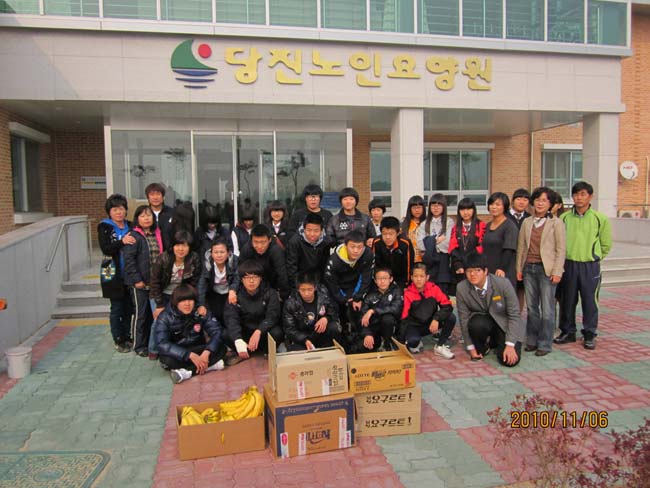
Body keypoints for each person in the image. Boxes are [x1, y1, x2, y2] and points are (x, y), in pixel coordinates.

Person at [554, 181, 612, 350]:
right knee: (567, 300)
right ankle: (568, 332)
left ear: (590, 196)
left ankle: (589, 333)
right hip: (568, 265)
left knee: (590, 301)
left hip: (590, 266)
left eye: (583, 194)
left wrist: (594, 256)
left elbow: (606, 244)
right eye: (576, 194)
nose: (579, 198)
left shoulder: (600, 218)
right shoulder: (564, 218)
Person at [516, 187, 566, 356]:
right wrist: (519, 269)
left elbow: (561, 249)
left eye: (544, 200)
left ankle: (544, 343)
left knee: (547, 309)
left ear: (550, 204)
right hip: (529, 268)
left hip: (547, 270)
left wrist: (557, 271)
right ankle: (531, 340)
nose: (540, 203)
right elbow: (521, 247)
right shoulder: (527, 222)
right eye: (537, 200)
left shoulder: (556, 223)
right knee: (531, 308)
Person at [456, 252, 524, 367]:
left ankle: (497, 342)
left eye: (477, 270)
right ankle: (485, 346)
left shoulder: (503, 284)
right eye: (469, 271)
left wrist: (510, 344)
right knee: (475, 324)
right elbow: (463, 319)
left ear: (486, 271)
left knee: (509, 361)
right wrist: (470, 348)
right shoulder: (462, 288)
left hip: (504, 323)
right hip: (483, 322)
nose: (473, 274)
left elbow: (514, 314)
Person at [155, 284, 226, 384]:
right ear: (176, 302)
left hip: (198, 348)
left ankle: (187, 373)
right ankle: (211, 366)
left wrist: (207, 352)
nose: (187, 304)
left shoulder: (200, 311)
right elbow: (162, 343)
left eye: (190, 300)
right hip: (180, 352)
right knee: (167, 361)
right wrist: (189, 355)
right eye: (183, 301)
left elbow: (216, 331)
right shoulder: (164, 317)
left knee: (222, 348)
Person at [149, 230, 201, 359]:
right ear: (172, 246)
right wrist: (159, 305)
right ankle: (153, 350)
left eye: (185, 245)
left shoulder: (194, 258)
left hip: (180, 295)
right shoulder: (163, 258)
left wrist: (187, 297)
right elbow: (154, 282)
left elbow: (195, 281)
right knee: (159, 320)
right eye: (178, 245)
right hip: (161, 294)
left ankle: (178, 347)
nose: (181, 249)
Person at [222, 260, 283, 365]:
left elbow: (272, 316)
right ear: (241, 280)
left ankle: (268, 352)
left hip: (262, 333)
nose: (251, 281)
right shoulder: (235, 296)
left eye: (255, 277)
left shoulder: (270, 293)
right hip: (245, 333)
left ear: (260, 278)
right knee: (226, 334)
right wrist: (237, 339)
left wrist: (259, 331)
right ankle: (243, 351)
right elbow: (231, 318)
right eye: (247, 277)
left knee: (277, 332)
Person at [323, 230, 375, 350]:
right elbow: (332, 284)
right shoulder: (334, 260)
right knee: (337, 311)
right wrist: (345, 299)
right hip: (339, 289)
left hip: (356, 287)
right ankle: (339, 342)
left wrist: (357, 297)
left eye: (359, 247)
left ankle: (363, 340)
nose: (356, 251)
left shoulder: (368, 254)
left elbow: (365, 278)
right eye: (352, 247)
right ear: (346, 245)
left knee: (359, 309)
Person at [123, 205, 163, 356]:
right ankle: (138, 346)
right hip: (139, 283)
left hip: (155, 283)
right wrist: (136, 279)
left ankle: (151, 344)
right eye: (142, 216)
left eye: (149, 215)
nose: (146, 218)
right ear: (137, 219)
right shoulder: (134, 236)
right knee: (141, 314)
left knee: (154, 315)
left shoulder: (157, 234)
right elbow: (129, 260)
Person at [98, 194, 135, 353]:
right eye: (115, 209)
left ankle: (127, 336)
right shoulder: (104, 227)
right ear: (109, 212)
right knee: (117, 308)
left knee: (129, 308)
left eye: (121, 209)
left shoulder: (131, 225)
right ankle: (118, 339)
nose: (119, 212)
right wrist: (122, 242)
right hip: (112, 273)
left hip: (130, 273)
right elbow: (106, 248)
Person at [398, 263, 456, 358]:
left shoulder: (434, 289)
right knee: (413, 342)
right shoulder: (408, 293)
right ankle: (416, 340)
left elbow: (448, 306)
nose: (419, 279)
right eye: (416, 276)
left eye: (422, 276)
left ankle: (440, 346)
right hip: (415, 325)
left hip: (431, 323)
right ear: (411, 277)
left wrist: (436, 318)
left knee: (451, 317)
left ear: (427, 277)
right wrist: (401, 340)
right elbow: (404, 318)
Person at [283, 272, 342, 351]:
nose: (306, 293)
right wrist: (305, 340)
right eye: (303, 290)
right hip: (302, 338)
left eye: (310, 289)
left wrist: (326, 318)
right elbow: (289, 330)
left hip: (319, 334)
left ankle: (328, 351)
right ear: (298, 289)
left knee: (334, 327)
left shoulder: (323, 295)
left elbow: (333, 313)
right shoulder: (290, 303)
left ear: (315, 288)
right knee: (296, 352)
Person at [238, 224, 290, 300]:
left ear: (269, 240)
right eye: (256, 242)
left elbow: (282, 274)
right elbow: (240, 271)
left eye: (263, 242)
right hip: (254, 284)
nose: (259, 246)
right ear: (251, 240)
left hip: (273, 283)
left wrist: (283, 295)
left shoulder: (276, 250)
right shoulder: (246, 249)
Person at [417, 193, 455, 294]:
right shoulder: (424, 223)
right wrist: (437, 240)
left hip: (443, 260)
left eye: (439, 205)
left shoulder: (449, 222)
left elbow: (448, 242)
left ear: (444, 207)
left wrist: (429, 241)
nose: (436, 208)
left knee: (442, 291)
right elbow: (420, 243)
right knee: (429, 291)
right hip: (429, 260)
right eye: (433, 205)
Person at [197, 237, 239, 325]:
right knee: (215, 314)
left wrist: (233, 289)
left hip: (230, 291)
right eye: (216, 252)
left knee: (231, 314)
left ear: (228, 253)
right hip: (214, 292)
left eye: (222, 252)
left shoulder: (234, 261)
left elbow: (237, 277)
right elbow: (202, 284)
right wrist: (201, 304)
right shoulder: (207, 263)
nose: (219, 255)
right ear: (211, 253)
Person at [360, 268, 403, 352]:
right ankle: (379, 343)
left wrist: (373, 311)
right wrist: (367, 334)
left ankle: (388, 343)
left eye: (385, 278)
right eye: (379, 279)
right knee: (362, 347)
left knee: (387, 318)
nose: (382, 281)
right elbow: (363, 316)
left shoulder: (396, 291)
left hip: (392, 328)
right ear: (375, 281)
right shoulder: (370, 295)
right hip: (375, 329)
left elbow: (396, 308)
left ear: (391, 279)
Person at [483, 192, 519, 290]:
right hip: (488, 271)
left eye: (498, 204)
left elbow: (509, 249)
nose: (494, 207)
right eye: (491, 204)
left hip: (503, 271)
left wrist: (502, 268)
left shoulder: (509, 226)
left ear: (505, 207)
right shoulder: (488, 225)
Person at [448, 198, 486, 288]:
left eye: (469, 209)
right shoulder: (456, 228)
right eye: (462, 209)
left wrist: (469, 262)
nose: (465, 212)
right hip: (459, 268)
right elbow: (452, 247)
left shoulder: (481, 226)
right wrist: (458, 264)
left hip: (475, 266)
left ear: (473, 210)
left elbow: (481, 246)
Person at [286, 213, 332, 283]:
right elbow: (291, 268)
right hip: (300, 281)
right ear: (304, 229)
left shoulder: (327, 242)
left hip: (319, 282)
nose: (312, 234)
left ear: (322, 230)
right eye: (309, 230)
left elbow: (326, 268)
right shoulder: (295, 242)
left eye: (316, 231)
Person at [371, 216, 414, 289]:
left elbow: (409, 266)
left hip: (400, 279)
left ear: (398, 233)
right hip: (383, 278)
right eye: (384, 234)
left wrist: (406, 284)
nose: (387, 237)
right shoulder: (376, 242)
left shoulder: (405, 243)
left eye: (391, 234)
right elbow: (375, 265)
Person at [146, 183, 174, 249]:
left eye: (158, 194)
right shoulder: (143, 214)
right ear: (148, 198)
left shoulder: (172, 213)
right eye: (152, 194)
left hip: (169, 251)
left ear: (163, 197)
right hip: (149, 251)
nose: (155, 197)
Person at [401, 195, 426, 262]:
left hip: (425, 260)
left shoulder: (427, 223)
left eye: (419, 207)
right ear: (410, 209)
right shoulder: (404, 225)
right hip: (408, 259)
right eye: (414, 208)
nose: (417, 210)